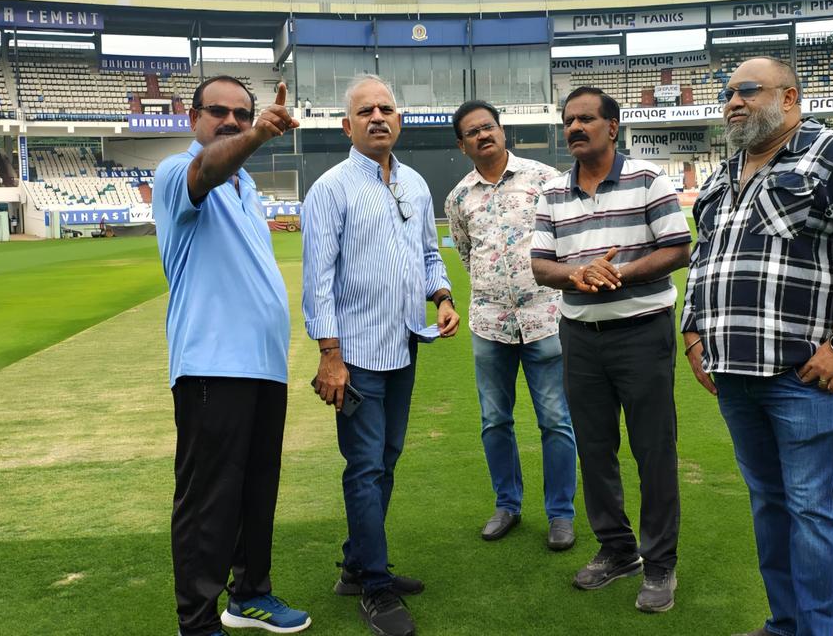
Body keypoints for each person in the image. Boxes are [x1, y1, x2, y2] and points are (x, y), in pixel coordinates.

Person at [683, 57, 833, 636]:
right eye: (728, 93)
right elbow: (705, 258)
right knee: (770, 504)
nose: (733, 101)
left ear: (788, 97)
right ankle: (786, 624)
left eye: (747, 91)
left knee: (811, 509)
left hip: (803, 373)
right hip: (734, 369)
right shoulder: (722, 173)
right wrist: (692, 331)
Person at [302, 74, 459, 636]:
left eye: (386, 108)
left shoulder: (415, 184)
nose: (377, 117)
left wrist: (441, 297)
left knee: (386, 460)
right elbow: (317, 281)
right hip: (357, 355)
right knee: (366, 467)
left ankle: (356, 564)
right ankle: (373, 585)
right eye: (364, 110)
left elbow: (427, 255)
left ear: (400, 120)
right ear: (347, 126)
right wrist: (330, 355)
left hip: (404, 346)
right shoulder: (331, 189)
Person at [154, 77, 311, 636]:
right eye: (217, 111)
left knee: (255, 487)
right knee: (208, 498)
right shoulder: (179, 171)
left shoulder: (248, 189)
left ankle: (249, 595)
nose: (230, 120)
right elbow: (208, 171)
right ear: (192, 117)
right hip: (211, 364)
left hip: (264, 366)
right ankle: (196, 621)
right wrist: (261, 134)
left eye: (242, 114)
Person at [532, 86, 691, 614]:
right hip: (579, 338)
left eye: (586, 120)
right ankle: (617, 550)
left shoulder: (648, 178)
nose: (575, 128)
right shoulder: (553, 193)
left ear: (613, 126)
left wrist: (617, 273)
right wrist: (576, 273)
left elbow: (677, 248)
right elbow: (540, 265)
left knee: (653, 450)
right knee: (595, 450)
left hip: (642, 333)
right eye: (569, 121)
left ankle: (660, 561)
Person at [443, 99, 578, 549]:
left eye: (489, 127)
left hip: (546, 318)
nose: (483, 135)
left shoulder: (544, 179)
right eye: (472, 132)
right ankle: (508, 505)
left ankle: (561, 514)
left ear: (503, 131)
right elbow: (466, 255)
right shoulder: (459, 198)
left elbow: (565, 238)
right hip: (490, 324)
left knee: (556, 420)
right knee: (494, 420)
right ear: (463, 146)